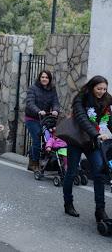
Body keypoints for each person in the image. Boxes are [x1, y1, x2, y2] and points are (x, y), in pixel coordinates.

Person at [63, 75, 112, 223]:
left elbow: (109, 120)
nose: (102, 91)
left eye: (104, 89)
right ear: (92, 87)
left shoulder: (107, 100)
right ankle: (68, 203)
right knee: (71, 172)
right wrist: (97, 134)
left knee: (99, 172)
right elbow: (82, 119)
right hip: (77, 140)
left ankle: (100, 210)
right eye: (99, 88)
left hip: (93, 143)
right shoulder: (81, 98)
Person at [25, 70, 60, 171]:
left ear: (49, 79)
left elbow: (55, 102)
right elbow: (30, 103)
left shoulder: (52, 90)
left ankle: (33, 159)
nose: (44, 79)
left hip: (45, 119)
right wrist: (38, 111)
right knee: (36, 138)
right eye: (42, 77)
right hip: (32, 118)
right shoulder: (33, 88)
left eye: (47, 77)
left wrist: (55, 110)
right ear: (39, 78)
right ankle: (34, 163)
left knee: (47, 139)